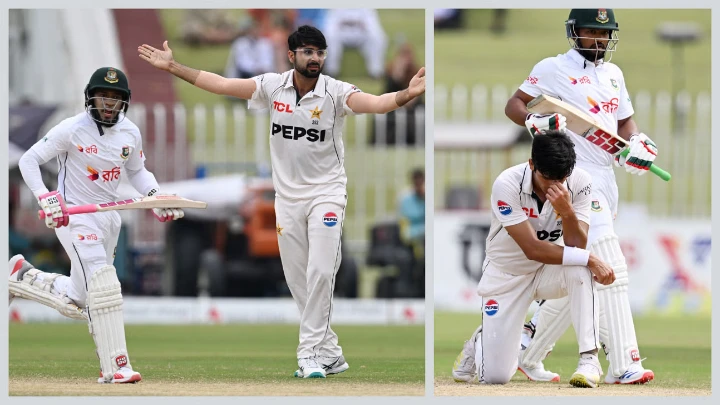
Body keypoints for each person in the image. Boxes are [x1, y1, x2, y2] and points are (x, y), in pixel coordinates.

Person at [138, 24, 425, 379]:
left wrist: (406, 95)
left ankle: (309, 355)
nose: (315, 58)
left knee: (321, 269)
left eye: (319, 52)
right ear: (292, 56)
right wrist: (173, 67)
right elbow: (223, 84)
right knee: (298, 278)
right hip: (287, 199)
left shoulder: (335, 93)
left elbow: (376, 104)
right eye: (307, 52)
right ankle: (331, 352)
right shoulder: (273, 86)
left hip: (327, 195)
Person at [504, 9, 657, 385]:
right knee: (611, 267)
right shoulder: (554, 67)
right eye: (591, 31)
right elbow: (514, 104)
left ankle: (528, 352)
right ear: (574, 32)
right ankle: (624, 363)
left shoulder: (614, 74)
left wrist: (635, 142)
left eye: (605, 33)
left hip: (606, 176)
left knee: (579, 272)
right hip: (573, 176)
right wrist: (531, 121)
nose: (599, 40)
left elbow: (623, 122)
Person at [9, 67, 186, 384]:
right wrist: (45, 197)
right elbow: (28, 160)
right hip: (74, 215)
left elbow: (138, 173)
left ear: (125, 102)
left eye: (116, 98)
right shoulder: (72, 129)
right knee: (103, 284)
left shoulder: (130, 132)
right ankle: (116, 366)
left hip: (108, 217)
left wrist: (155, 196)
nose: (109, 103)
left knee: (80, 297)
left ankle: (22, 275)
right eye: (103, 96)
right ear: (91, 98)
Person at [451, 131, 616, 388]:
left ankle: (589, 360)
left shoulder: (580, 181)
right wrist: (591, 258)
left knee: (580, 268)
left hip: (547, 272)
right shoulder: (507, 184)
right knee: (496, 377)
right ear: (532, 164)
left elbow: (576, 244)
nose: (554, 187)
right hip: (506, 275)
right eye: (547, 179)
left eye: (561, 179)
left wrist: (568, 212)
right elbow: (532, 249)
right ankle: (480, 340)